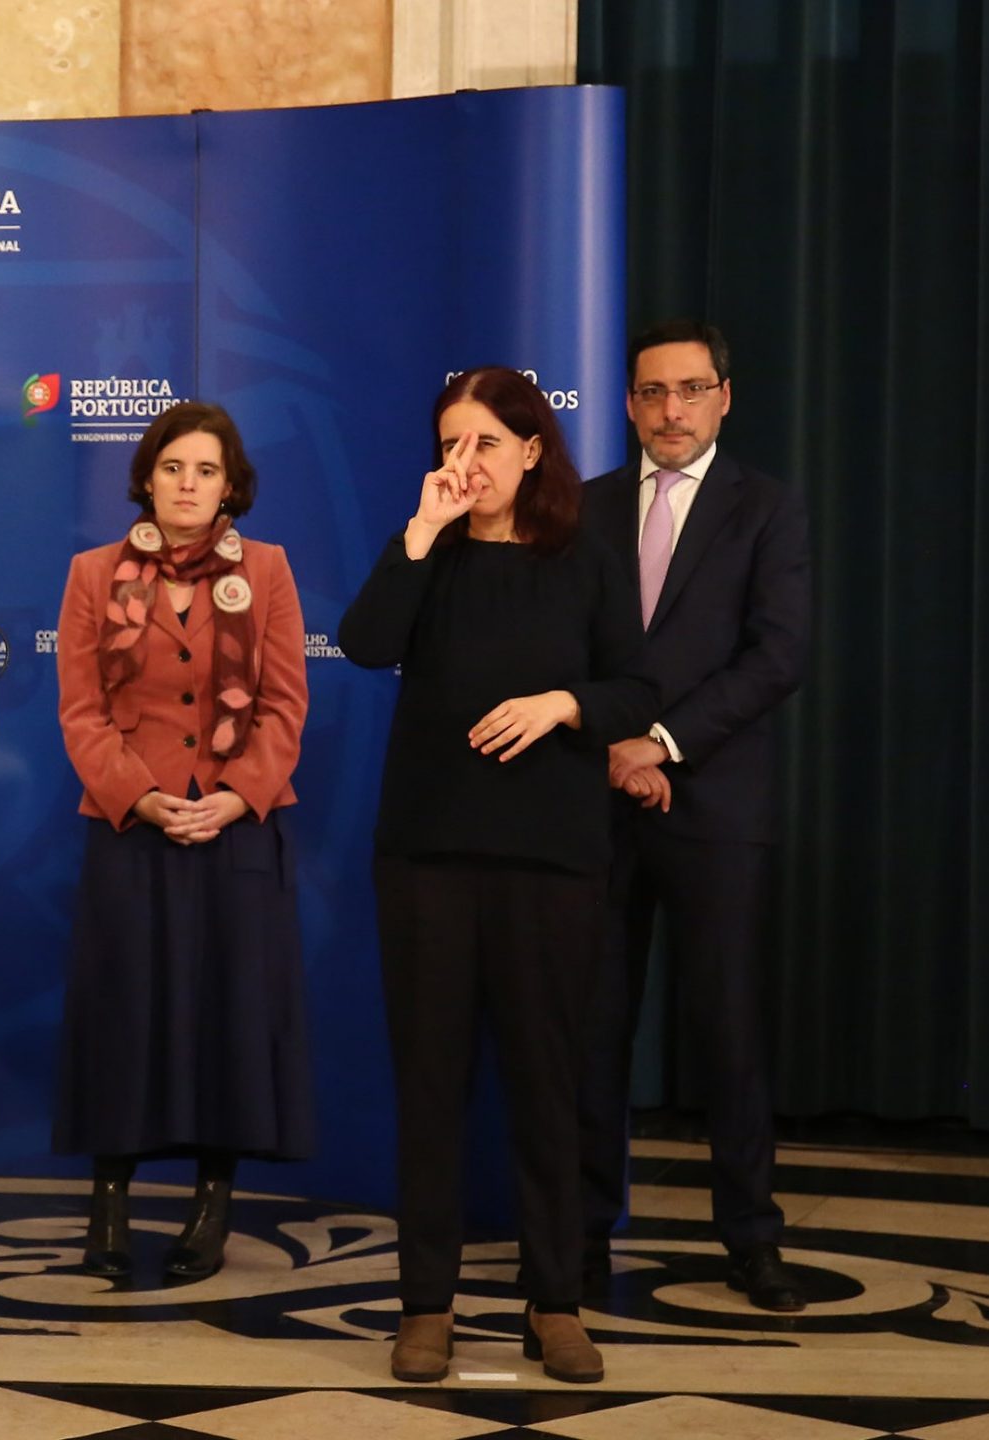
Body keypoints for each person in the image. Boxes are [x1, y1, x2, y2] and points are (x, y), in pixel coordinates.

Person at [337, 367, 658, 1385]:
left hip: (551, 861)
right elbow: (363, 642)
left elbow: (637, 687)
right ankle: (425, 1307)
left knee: (548, 1087)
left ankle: (554, 1302)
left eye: (483, 442)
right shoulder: (424, 551)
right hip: (428, 857)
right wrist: (420, 534)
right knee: (430, 1087)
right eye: (449, 444)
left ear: (530, 451)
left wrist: (563, 704)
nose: (464, 462)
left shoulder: (586, 558)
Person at [577, 320, 811, 1311]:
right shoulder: (583, 507)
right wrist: (611, 749)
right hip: (594, 800)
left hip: (714, 799)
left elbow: (778, 654)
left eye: (690, 390)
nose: (669, 410)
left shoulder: (768, 508)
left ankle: (751, 1238)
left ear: (724, 396)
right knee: (591, 1028)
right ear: (629, 403)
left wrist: (663, 744)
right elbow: (557, 647)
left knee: (729, 1030)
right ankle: (581, 1236)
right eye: (651, 392)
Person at [51, 401, 311, 1281]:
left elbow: (285, 704)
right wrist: (139, 795)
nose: (188, 485)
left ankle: (211, 1205)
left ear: (229, 485)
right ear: (147, 479)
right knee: (123, 1014)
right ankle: (109, 1205)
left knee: (228, 1015)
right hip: (133, 827)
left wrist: (236, 797)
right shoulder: (93, 574)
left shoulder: (268, 570)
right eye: (172, 469)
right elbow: (82, 712)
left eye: (205, 471)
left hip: (237, 829)